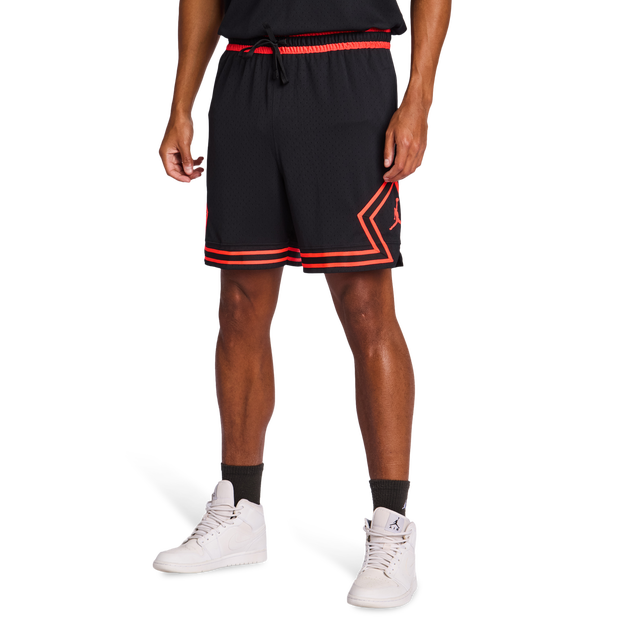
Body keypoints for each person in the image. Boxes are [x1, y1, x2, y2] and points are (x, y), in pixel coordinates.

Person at [151, 0, 452, 611]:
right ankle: (239, 512)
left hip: (348, 71)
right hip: (245, 75)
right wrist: (180, 104)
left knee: (365, 304)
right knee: (239, 302)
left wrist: (419, 97)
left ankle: (392, 525)